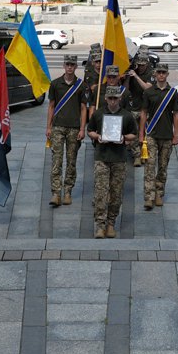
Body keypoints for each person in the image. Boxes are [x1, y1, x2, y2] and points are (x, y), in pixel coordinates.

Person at [86, 81, 138, 238]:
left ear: (120, 99)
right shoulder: (99, 114)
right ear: (106, 98)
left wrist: (123, 138)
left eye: (116, 98)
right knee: (100, 193)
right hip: (102, 157)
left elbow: (133, 135)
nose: (113, 101)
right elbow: (90, 131)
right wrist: (98, 136)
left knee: (116, 193)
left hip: (119, 159)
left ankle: (111, 223)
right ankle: (99, 226)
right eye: (110, 98)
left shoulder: (126, 116)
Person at [46, 54, 88, 207]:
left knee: (71, 161)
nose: (70, 67)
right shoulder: (55, 84)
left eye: (72, 65)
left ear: (76, 67)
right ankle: (56, 193)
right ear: (64, 66)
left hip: (74, 128)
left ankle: (68, 191)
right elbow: (51, 106)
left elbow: (84, 108)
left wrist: (82, 129)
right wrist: (48, 127)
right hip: (58, 127)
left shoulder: (81, 86)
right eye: (67, 64)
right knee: (56, 161)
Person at [137, 65, 178, 210]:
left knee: (162, 167)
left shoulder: (173, 93)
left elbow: (176, 114)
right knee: (149, 166)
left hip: (167, 135)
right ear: (155, 74)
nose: (161, 75)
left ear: (167, 74)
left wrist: (176, 135)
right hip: (152, 135)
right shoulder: (149, 92)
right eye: (159, 73)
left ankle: (159, 194)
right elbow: (143, 113)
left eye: (163, 73)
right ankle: (148, 196)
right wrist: (141, 133)